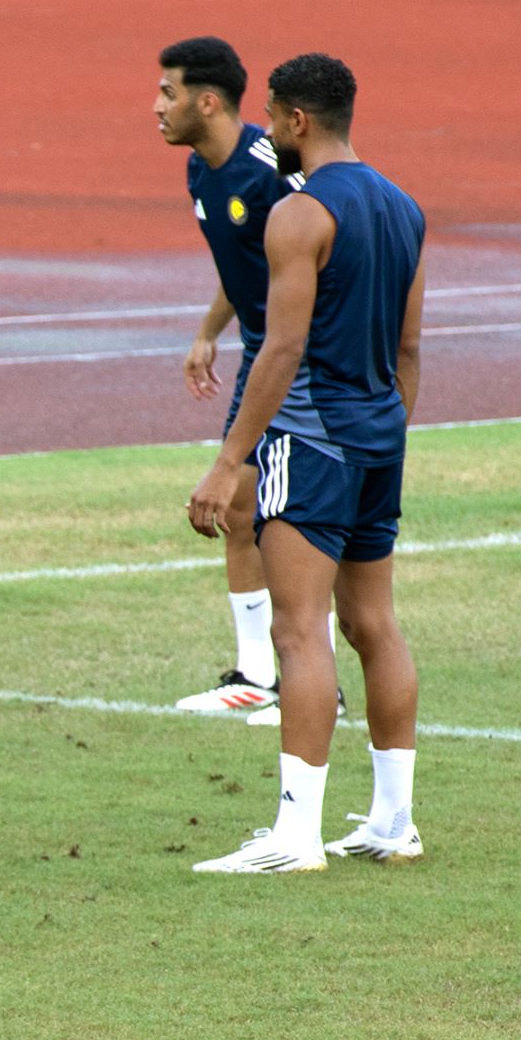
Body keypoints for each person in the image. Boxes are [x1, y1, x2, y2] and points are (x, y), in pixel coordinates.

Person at [188, 54, 427, 875]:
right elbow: (408, 347)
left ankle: (296, 837)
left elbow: (280, 346)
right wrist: (386, 431)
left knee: (300, 633)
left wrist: (230, 461)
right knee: (375, 625)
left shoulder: (299, 214)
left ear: (296, 120)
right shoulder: (405, 208)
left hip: (310, 440)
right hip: (378, 437)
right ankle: (394, 822)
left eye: (275, 117)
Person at [155, 36, 301, 723]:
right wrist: (210, 331)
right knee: (240, 512)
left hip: (302, 363)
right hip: (259, 354)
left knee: (289, 521)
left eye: (168, 92)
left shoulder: (270, 171)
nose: (157, 106)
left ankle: (309, 685)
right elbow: (243, 263)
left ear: (206, 101)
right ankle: (254, 675)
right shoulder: (198, 172)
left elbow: (318, 248)